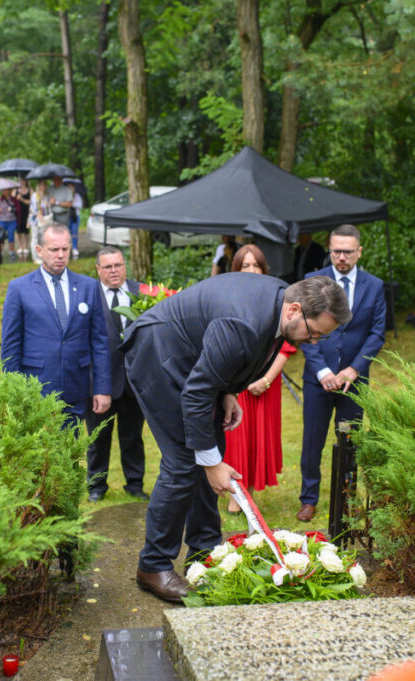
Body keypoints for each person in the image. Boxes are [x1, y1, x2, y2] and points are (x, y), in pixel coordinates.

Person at [121, 273, 350, 602]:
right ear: (294, 309)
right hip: (158, 355)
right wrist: (211, 463)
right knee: (186, 460)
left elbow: (228, 364)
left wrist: (228, 392)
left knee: (212, 448)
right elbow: (196, 394)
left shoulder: (277, 304)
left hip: (192, 363)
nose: (313, 342)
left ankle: (203, 552)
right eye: (314, 333)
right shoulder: (244, 321)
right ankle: (153, 565)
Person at [297, 224, 386, 522]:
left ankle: (347, 497)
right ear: (330, 250)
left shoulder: (374, 286)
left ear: (359, 251)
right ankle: (308, 499)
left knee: (350, 441)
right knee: (313, 441)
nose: (341, 257)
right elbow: (303, 331)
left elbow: (376, 334)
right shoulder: (312, 281)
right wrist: (322, 371)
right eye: (336, 251)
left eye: (348, 251)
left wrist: (354, 369)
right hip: (317, 379)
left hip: (354, 381)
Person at [0, 223, 111, 427]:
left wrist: (102, 388)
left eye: (65, 249)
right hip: (35, 389)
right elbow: (10, 346)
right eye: (54, 250)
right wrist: (12, 391)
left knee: (72, 454)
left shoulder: (88, 286)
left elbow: (99, 341)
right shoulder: (19, 288)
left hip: (76, 389)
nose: (60, 255)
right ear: (39, 251)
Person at [222, 245, 297, 513]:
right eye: (246, 265)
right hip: (236, 379)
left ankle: (248, 490)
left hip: (266, 381)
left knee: (257, 437)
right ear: (237, 269)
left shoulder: (279, 297)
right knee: (237, 436)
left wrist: (265, 379)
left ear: (264, 269)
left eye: (256, 265)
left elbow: (287, 345)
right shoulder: (228, 295)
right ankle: (235, 491)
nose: (251, 270)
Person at [84, 246, 148, 502]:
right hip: (100, 381)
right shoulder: (88, 295)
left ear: (125, 266)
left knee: (133, 436)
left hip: (134, 381)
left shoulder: (142, 293)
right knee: (98, 438)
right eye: (108, 267)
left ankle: (135, 484)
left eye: (118, 265)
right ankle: (97, 486)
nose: (114, 271)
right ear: (98, 269)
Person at [46, 175, 74, 249]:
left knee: (64, 233)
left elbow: (69, 204)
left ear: (61, 180)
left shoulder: (67, 190)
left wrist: (57, 202)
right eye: (54, 180)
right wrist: (50, 202)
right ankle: (55, 248)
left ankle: (66, 249)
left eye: (58, 180)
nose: (56, 181)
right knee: (53, 233)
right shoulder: (50, 189)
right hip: (52, 215)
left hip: (63, 215)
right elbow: (45, 200)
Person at [0, 187, 20, 262]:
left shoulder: (13, 200)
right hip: (1, 220)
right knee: (1, 237)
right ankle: (0, 253)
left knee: (11, 236)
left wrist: (14, 209)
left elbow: (18, 209)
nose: (5, 191)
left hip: (12, 220)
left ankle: (11, 253)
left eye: (7, 190)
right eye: (4, 190)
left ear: (9, 190)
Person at [27, 180, 50, 265]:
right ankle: (35, 258)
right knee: (35, 238)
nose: (43, 186)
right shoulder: (34, 195)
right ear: (39, 185)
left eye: (44, 184)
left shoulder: (46, 196)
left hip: (44, 220)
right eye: (42, 184)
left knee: (43, 239)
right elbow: (32, 209)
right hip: (35, 220)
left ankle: (43, 256)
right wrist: (39, 216)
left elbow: (47, 208)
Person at [14, 176, 32, 260]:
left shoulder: (30, 190)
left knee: (26, 230)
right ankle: (20, 246)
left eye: (23, 180)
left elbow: (32, 202)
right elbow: (12, 201)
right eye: (20, 180)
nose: (22, 182)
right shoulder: (15, 191)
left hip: (26, 212)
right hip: (18, 213)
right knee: (18, 231)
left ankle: (25, 246)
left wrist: (22, 199)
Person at [65, 179, 83, 259]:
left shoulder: (77, 196)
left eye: (71, 187)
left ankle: (75, 248)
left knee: (74, 232)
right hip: (67, 216)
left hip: (75, 216)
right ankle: (67, 247)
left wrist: (72, 203)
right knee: (67, 232)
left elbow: (80, 205)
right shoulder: (66, 196)